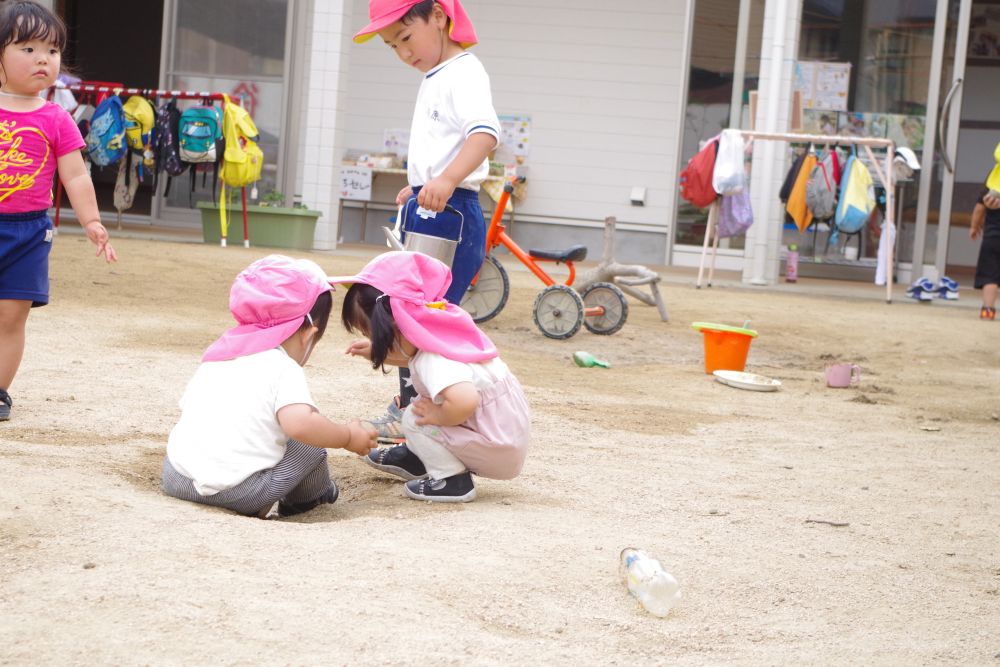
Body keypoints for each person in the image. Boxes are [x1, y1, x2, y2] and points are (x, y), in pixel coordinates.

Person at [354, 0, 500, 443]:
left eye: (405, 37)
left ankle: (421, 421)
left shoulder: (464, 71)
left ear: (438, 16)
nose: (403, 52)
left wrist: (446, 179)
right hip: (431, 204)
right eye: (391, 45)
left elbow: (484, 134)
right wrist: (418, 187)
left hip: (450, 213)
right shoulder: (437, 75)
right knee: (404, 313)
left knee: (420, 319)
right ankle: (412, 417)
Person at [162, 255, 377, 518]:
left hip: (178, 478)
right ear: (309, 335)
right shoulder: (282, 366)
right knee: (308, 447)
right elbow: (300, 425)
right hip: (241, 491)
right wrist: (347, 436)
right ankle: (309, 499)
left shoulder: (217, 356)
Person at [331, 251, 530, 503]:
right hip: (501, 434)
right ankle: (420, 457)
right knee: (424, 409)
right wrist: (375, 351)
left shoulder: (434, 360)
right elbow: (410, 355)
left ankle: (452, 480)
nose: (374, 342)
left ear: (397, 324)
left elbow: (464, 401)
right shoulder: (440, 336)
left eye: (375, 336)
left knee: (416, 417)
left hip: (496, 446)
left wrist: (436, 417)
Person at [0, 1, 117, 422]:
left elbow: (76, 176)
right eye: (27, 48)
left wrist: (92, 220)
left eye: (51, 50)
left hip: (30, 232)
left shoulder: (56, 118)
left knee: (12, 316)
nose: (42, 59)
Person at [970, 189, 1000, 320]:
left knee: (990, 275)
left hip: (993, 236)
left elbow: (979, 208)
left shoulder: (995, 179)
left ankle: (987, 310)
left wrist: (974, 226)